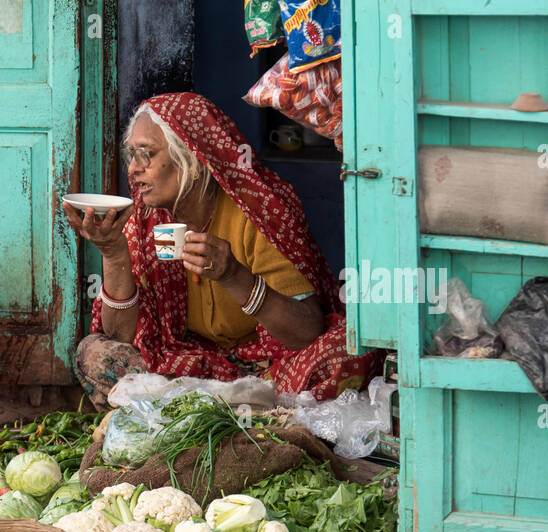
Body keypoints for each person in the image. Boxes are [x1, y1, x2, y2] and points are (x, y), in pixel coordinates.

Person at [65, 92, 381, 410]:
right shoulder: (144, 224)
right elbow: (119, 337)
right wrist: (114, 254)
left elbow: (306, 331)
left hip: (266, 369)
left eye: (145, 155)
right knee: (95, 353)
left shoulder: (258, 212)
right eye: (131, 155)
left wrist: (234, 276)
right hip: (185, 368)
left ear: (194, 158)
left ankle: (211, 413)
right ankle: (222, 411)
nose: (133, 168)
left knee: (345, 350)